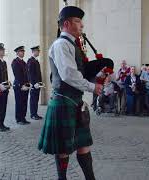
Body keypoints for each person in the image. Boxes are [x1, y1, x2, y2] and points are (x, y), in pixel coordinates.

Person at [38, 6, 103, 180]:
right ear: (66, 24)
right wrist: (92, 87)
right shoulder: (61, 44)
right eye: (77, 21)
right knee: (63, 149)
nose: (82, 25)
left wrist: (99, 73)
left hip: (76, 102)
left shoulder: (73, 45)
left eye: (81, 21)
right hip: (63, 101)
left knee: (83, 144)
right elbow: (68, 74)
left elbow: (79, 71)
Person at [12, 46, 31, 125]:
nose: (23, 53)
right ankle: (19, 119)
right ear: (17, 53)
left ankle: (23, 118)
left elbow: (27, 74)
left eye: (23, 51)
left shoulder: (24, 62)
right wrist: (21, 85)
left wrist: (28, 83)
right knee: (19, 102)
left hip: (25, 86)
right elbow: (17, 75)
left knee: (24, 102)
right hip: (19, 86)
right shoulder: (15, 62)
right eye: (21, 51)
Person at [27, 45, 43, 120]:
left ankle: (35, 113)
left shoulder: (36, 61)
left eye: (38, 51)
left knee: (36, 99)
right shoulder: (31, 61)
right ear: (33, 52)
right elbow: (30, 74)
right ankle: (33, 114)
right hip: (34, 84)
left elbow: (38, 73)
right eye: (37, 51)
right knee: (33, 99)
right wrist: (33, 83)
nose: (38, 52)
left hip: (38, 84)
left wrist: (40, 82)